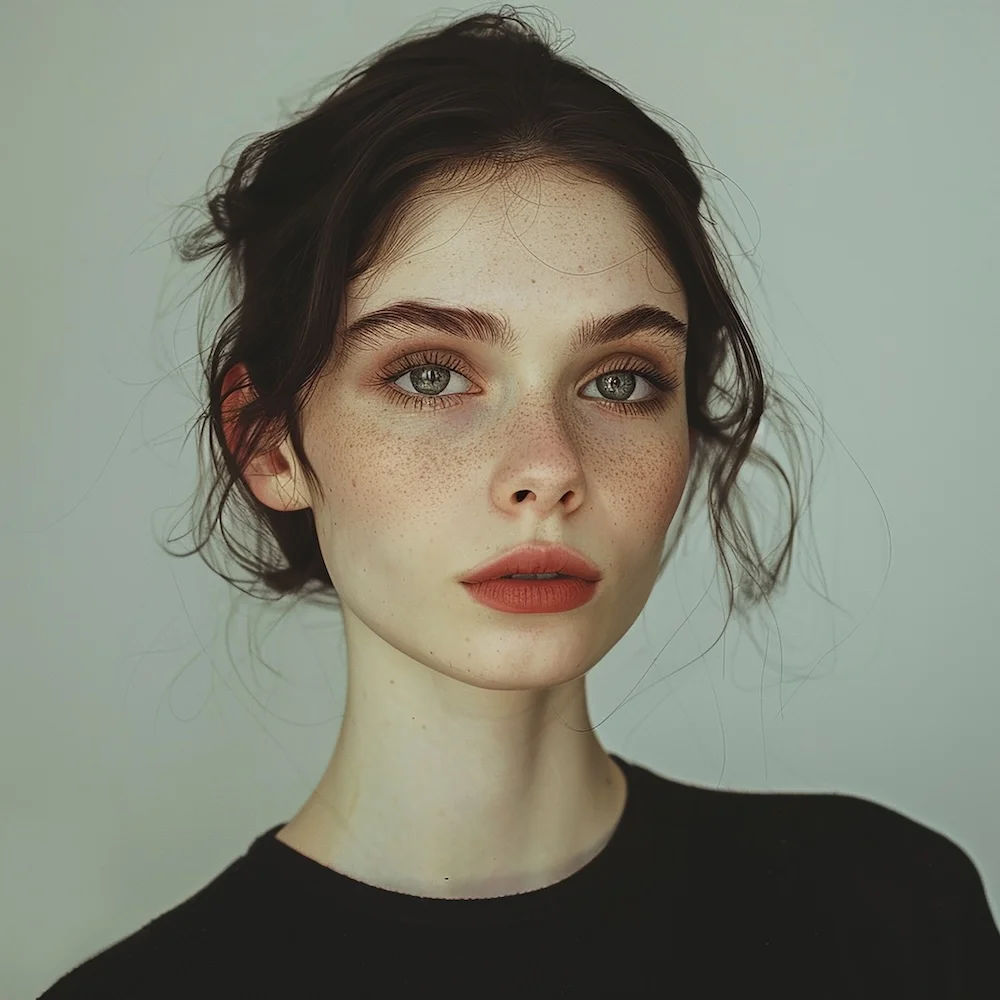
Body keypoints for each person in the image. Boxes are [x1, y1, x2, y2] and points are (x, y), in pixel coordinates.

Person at [40, 6, 999, 997]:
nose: (545, 468)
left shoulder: (891, 919)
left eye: (619, 380)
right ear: (268, 441)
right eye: (427, 375)